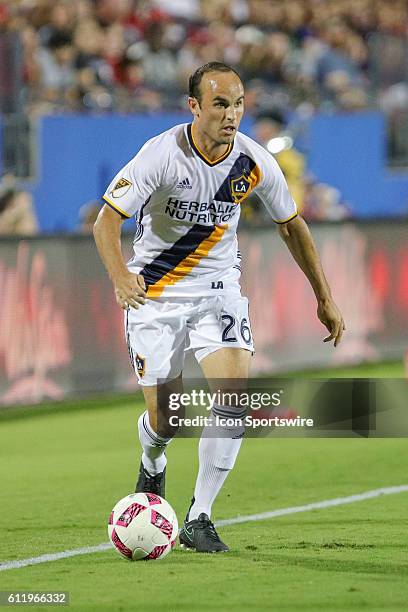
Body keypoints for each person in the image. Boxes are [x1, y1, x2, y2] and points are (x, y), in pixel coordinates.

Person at [93, 61, 345, 553]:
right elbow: (107, 220)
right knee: (167, 420)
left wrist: (324, 295)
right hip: (156, 294)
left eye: (239, 104)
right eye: (220, 104)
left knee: (233, 396)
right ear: (194, 107)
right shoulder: (160, 155)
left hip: (218, 290)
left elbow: (292, 225)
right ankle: (153, 459)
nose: (232, 115)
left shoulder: (254, 163)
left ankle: (200, 516)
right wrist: (121, 276)